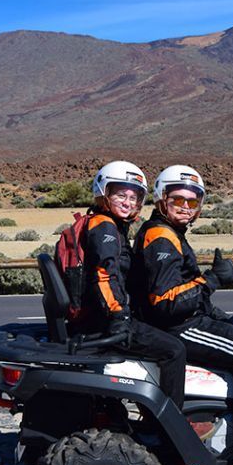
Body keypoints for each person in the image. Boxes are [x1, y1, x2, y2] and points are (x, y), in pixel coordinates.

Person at [133, 164, 233, 465]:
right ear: (162, 199)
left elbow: (180, 289)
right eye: (178, 200)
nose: (186, 207)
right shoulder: (162, 237)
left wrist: (214, 306)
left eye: (192, 201)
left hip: (180, 321)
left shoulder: (167, 233)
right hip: (178, 326)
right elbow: (166, 303)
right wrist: (212, 280)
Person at [83, 160, 186, 410]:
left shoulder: (109, 225)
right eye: (120, 194)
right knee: (174, 350)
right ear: (103, 193)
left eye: (134, 196)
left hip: (103, 316)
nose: (128, 202)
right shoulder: (105, 227)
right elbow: (103, 274)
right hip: (107, 321)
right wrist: (119, 317)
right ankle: (171, 425)